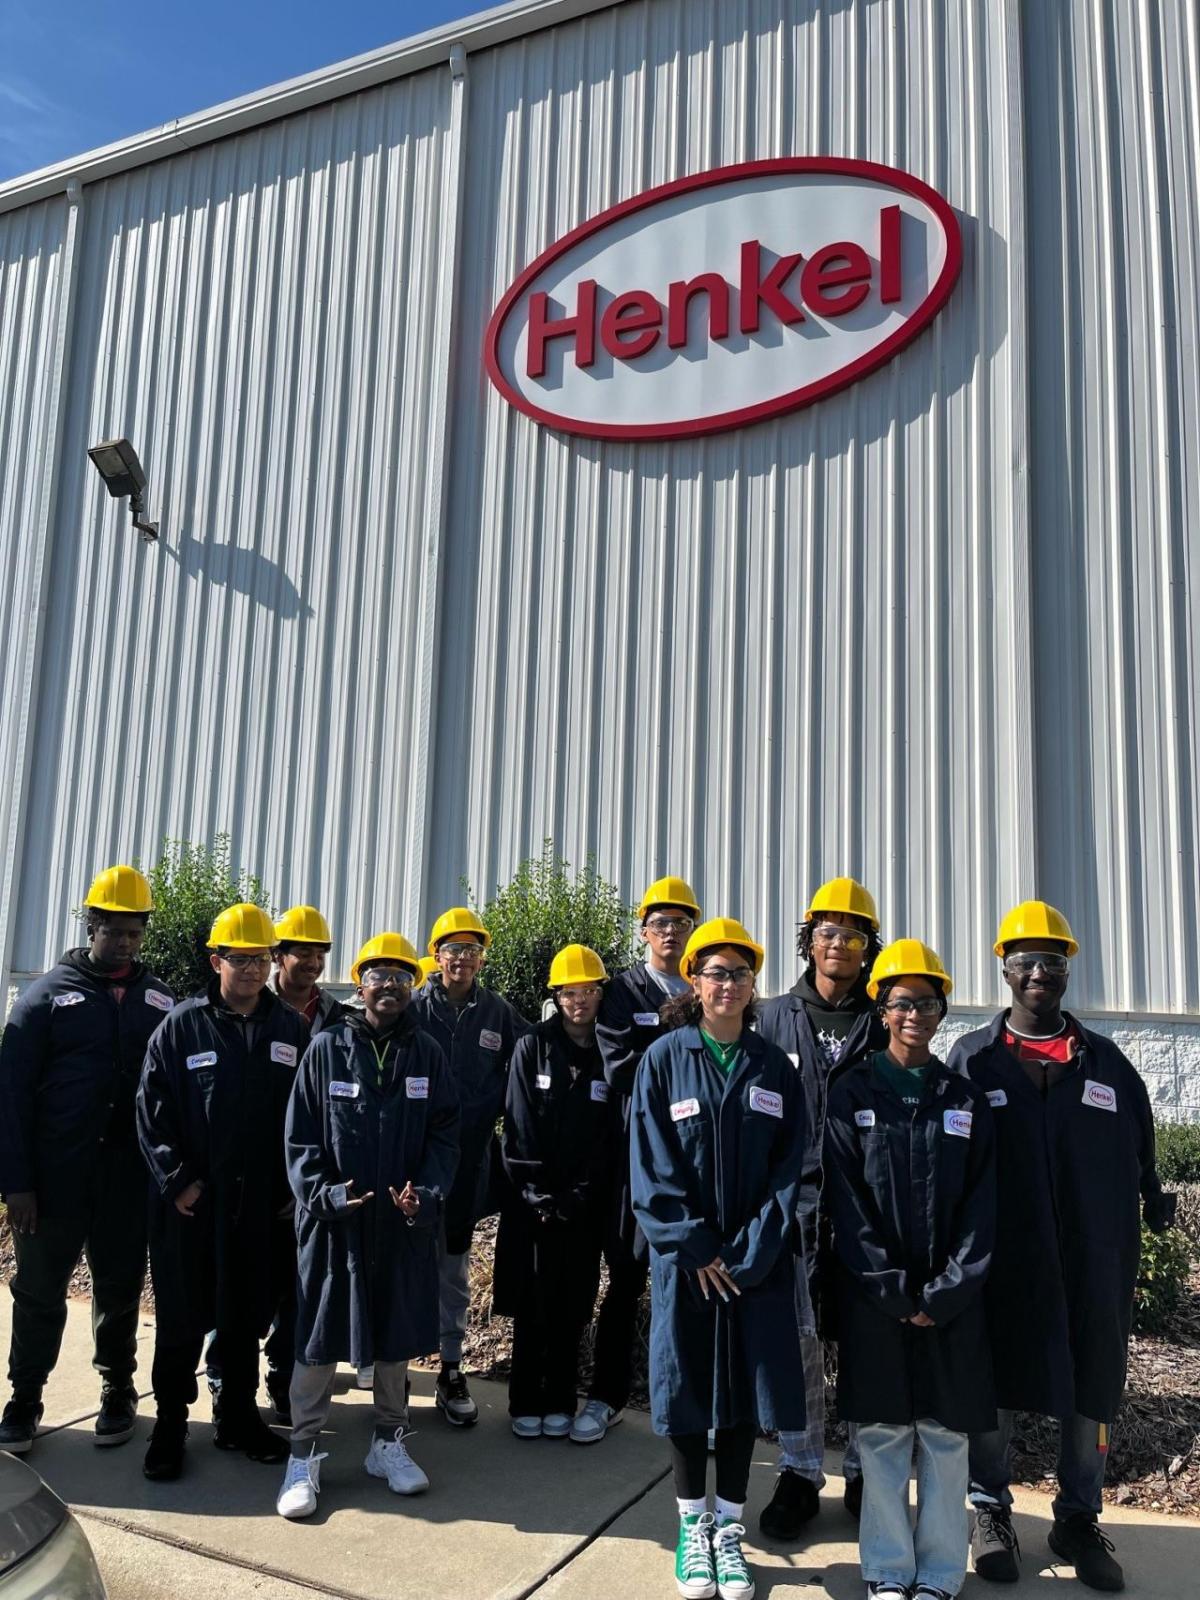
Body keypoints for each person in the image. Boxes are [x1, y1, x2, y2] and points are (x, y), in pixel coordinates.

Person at [950, 902, 1173, 1594]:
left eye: (1052, 960)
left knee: (1092, 1390)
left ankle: (1077, 1518)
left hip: (1091, 1260)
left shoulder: (1106, 1065)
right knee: (994, 1387)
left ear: (1068, 970)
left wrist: (1156, 1197)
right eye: (1026, 960)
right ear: (1005, 970)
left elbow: (1140, 1150)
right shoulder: (974, 1061)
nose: (1039, 972)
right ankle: (991, 1512)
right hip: (1002, 1260)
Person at [631, 917, 807, 1600]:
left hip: (751, 1270)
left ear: (752, 985)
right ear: (696, 984)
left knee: (740, 1395)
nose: (726, 984)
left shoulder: (773, 1068)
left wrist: (752, 1251)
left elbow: (790, 1167)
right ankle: (691, 1529)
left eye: (738, 973)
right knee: (685, 1397)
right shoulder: (665, 1058)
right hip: (688, 1266)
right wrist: (696, 1244)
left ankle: (729, 1533)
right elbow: (650, 1163)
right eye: (714, 972)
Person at [823, 939, 996, 1600]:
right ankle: (890, 1572)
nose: (915, 1015)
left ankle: (941, 1574)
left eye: (927, 1002)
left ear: (941, 1009)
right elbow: (847, 1205)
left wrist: (948, 1291)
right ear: (882, 1008)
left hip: (954, 1306)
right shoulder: (854, 1095)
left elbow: (984, 1205)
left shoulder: (965, 1098)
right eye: (902, 1003)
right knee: (885, 1437)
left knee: (948, 1443)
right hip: (877, 1304)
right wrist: (895, 1293)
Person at [276, 934, 459, 1518]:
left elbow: (445, 1133)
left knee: (395, 1333)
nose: (390, 986)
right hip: (335, 1225)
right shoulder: (327, 1048)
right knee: (319, 1334)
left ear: (413, 988)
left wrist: (426, 1195)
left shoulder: (427, 1054)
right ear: (360, 986)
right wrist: (324, 1195)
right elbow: (299, 1135)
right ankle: (301, 1452)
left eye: (402, 978)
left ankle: (388, 1441)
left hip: (400, 1225)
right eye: (379, 975)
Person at [0, 866, 174, 1454]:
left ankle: (118, 1389)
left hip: (127, 1178)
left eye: (133, 932)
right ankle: (25, 1399)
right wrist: (16, 1183)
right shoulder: (45, 996)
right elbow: (11, 1095)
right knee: (40, 1290)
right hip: (54, 1182)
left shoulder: (161, 1001)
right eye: (111, 929)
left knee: (121, 1286)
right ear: (91, 924)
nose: (122, 941)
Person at [137, 903, 310, 1481]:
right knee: (183, 1318)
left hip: (261, 1206)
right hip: (193, 1207)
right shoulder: (182, 1025)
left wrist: (294, 1183)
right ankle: (169, 1423)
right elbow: (151, 1108)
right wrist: (176, 1180)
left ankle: (238, 1416)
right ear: (217, 961)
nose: (255, 970)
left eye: (262, 959)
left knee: (244, 1315)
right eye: (242, 959)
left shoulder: (292, 1030)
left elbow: (308, 1117)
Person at [756, 876, 886, 1536]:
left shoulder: (883, 1019)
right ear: (809, 942)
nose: (839, 945)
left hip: (866, 1210)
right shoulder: (774, 1016)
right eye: (827, 933)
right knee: (799, 1342)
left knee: (864, 1342)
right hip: (793, 1209)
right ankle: (800, 1470)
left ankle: (866, 1472)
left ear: (869, 947)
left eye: (853, 934)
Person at [207, 902, 345, 1425]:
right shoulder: (252, 1013)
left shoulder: (335, 1018)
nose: (310, 963)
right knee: (236, 1283)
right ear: (277, 957)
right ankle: (223, 1374)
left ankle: (282, 1378)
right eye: (299, 952)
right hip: (248, 1175)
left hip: (304, 1178)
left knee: (297, 1283)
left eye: (319, 954)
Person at [584, 875, 700, 1445]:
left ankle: (690, 1403)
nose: (671, 933)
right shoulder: (625, 993)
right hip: (637, 1159)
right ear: (644, 931)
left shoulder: (706, 988)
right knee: (627, 1278)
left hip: (694, 1161)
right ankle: (605, 1396)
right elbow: (619, 1067)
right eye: (661, 924)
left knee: (692, 1281)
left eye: (681, 924)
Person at [410, 906, 529, 1429]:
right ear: (436, 956)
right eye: (453, 949)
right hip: (412, 1163)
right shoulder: (413, 1009)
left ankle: (451, 1369)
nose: (462, 959)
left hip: (467, 1164)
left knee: (453, 1269)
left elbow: (532, 1051)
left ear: (482, 959)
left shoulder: (497, 1013)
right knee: (402, 1260)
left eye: (472, 951)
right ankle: (385, 1361)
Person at [495, 945, 614, 1439]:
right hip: (532, 1205)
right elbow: (517, 1125)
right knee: (533, 1302)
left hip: (583, 1207)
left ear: (599, 994)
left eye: (587, 991)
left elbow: (610, 1136)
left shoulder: (610, 1053)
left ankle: (562, 1398)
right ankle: (526, 1397)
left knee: (573, 1303)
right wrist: (537, 1194)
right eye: (569, 992)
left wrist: (580, 1196)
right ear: (556, 996)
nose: (578, 1001)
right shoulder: (532, 1046)